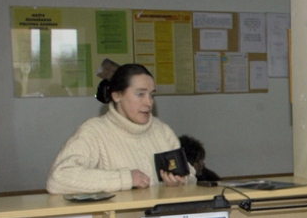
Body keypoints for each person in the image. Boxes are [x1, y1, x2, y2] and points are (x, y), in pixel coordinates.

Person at [45, 64, 195, 194]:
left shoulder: (162, 130)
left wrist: (181, 180)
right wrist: (125, 179)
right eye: (140, 94)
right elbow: (58, 178)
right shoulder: (93, 131)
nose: (149, 102)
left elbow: (189, 174)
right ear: (117, 96)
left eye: (151, 95)